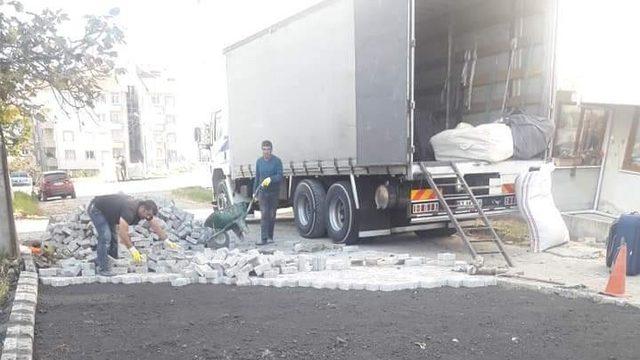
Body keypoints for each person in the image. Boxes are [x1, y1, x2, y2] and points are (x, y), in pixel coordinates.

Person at [87, 194, 177, 276]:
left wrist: (166, 240)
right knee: (106, 237)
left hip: (108, 213)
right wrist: (132, 250)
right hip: (96, 209)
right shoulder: (130, 210)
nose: (147, 218)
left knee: (113, 238)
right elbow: (122, 233)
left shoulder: (144, 210)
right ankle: (103, 269)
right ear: (143, 208)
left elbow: (154, 224)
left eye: (150, 216)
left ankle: (109, 262)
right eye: (147, 215)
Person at [254, 140, 283, 245]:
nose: (266, 151)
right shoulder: (259, 162)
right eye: (264, 149)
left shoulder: (277, 161)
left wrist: (271, 179)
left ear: (271, 150)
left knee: (272, 214)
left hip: (274, 192)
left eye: (268, 149)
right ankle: (264, 238)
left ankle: (270, 236)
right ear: (262, 150)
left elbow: (280, 176)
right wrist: (255, 192)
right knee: (264, 214)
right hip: (262, 192)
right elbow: (257, 177)